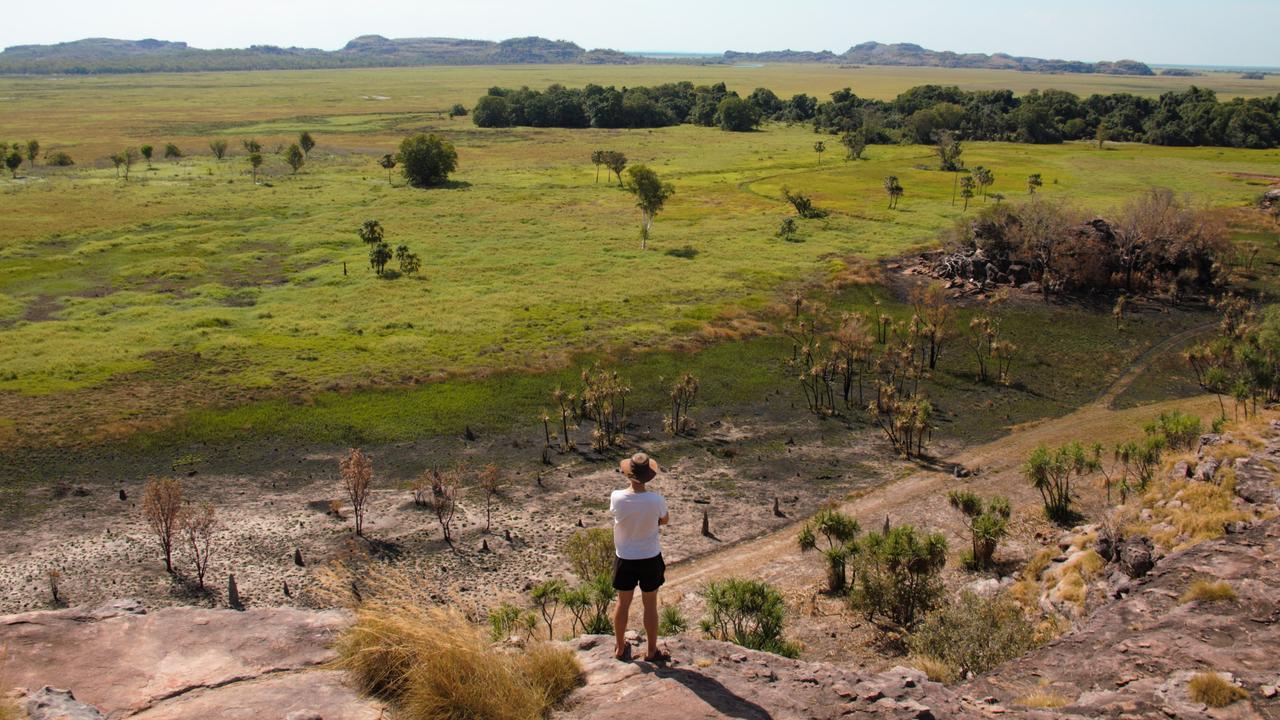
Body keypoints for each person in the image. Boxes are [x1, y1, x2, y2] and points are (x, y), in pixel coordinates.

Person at [609, 452, 670, 662]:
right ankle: (652, 651)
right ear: (648, 476)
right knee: (650, 605)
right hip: (650, 557)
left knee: (622, 603)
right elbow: (664, 520)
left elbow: (618, 516)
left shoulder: (617, 497)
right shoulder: (656, 500)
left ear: (628, 474)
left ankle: (619, 648)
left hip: (625, 557)